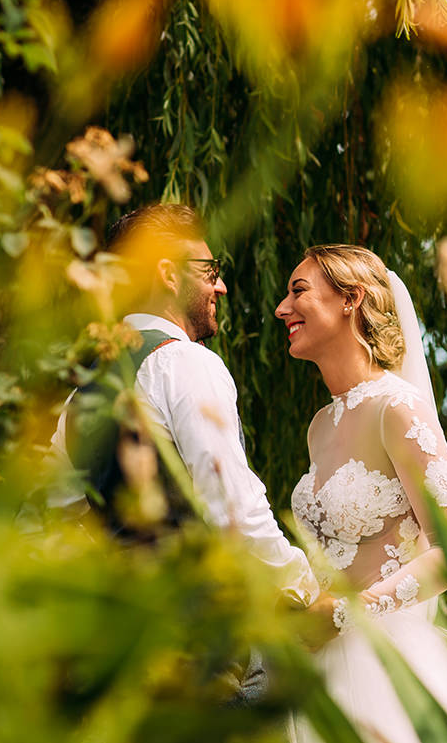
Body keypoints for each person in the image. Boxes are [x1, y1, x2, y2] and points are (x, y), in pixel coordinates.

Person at [274, 244, 447, 743]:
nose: (281, 309)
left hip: (383, 659)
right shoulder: (319, 426)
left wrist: (340, 613)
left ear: (350, 299)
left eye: (298, 291)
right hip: (317, 666)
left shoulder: (398, 408)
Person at [59, 202, 318, 611]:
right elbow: (233, 508)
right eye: (209, 272)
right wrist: (304, 586)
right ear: (168, 275)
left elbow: (51, 519)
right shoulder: (185, 362)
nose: (221, 287)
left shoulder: (81, 391)